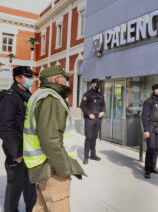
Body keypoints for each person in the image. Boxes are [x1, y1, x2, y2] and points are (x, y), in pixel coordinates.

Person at [23, 65, 86, 212]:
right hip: (53, 168)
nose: (68, 82)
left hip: (44, 166)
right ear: (58, 79)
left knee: (42, 207)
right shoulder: (51, 99)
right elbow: (50, 140)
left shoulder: (40, 95)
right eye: (66, 79)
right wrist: (64, 168)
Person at [0, 66, 38, 212]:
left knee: (30, 184)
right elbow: (5, 128)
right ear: (18, 79)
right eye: (27, 76)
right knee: (14, 186)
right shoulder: (10, 97)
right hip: (17, 151)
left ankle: (31, 209)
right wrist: (16, 154)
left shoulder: (28, 95)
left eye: (31, 76)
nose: (31, 79)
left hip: (30, 149)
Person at [141, 84, 158, 179]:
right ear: (155, 90)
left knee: (156, 148)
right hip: (151, 127)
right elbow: (144, 117)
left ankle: (153, 167)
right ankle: (147, 169)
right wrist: (146, 129)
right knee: (151, 148)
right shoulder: (148, 101)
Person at [80, 79, 106, 164]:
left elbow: (104, 105)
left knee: (94, 137)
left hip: (97, 119)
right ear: (92, 84)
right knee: (88, 137)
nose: (97, 85)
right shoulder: (87, 94)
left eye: (98, 84)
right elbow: (82, 106)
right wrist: (88, 114)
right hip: (89, 119)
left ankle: (93, 154)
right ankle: (86, 156)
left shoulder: (101, 95)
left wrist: (103, 112)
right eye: (96, 84)